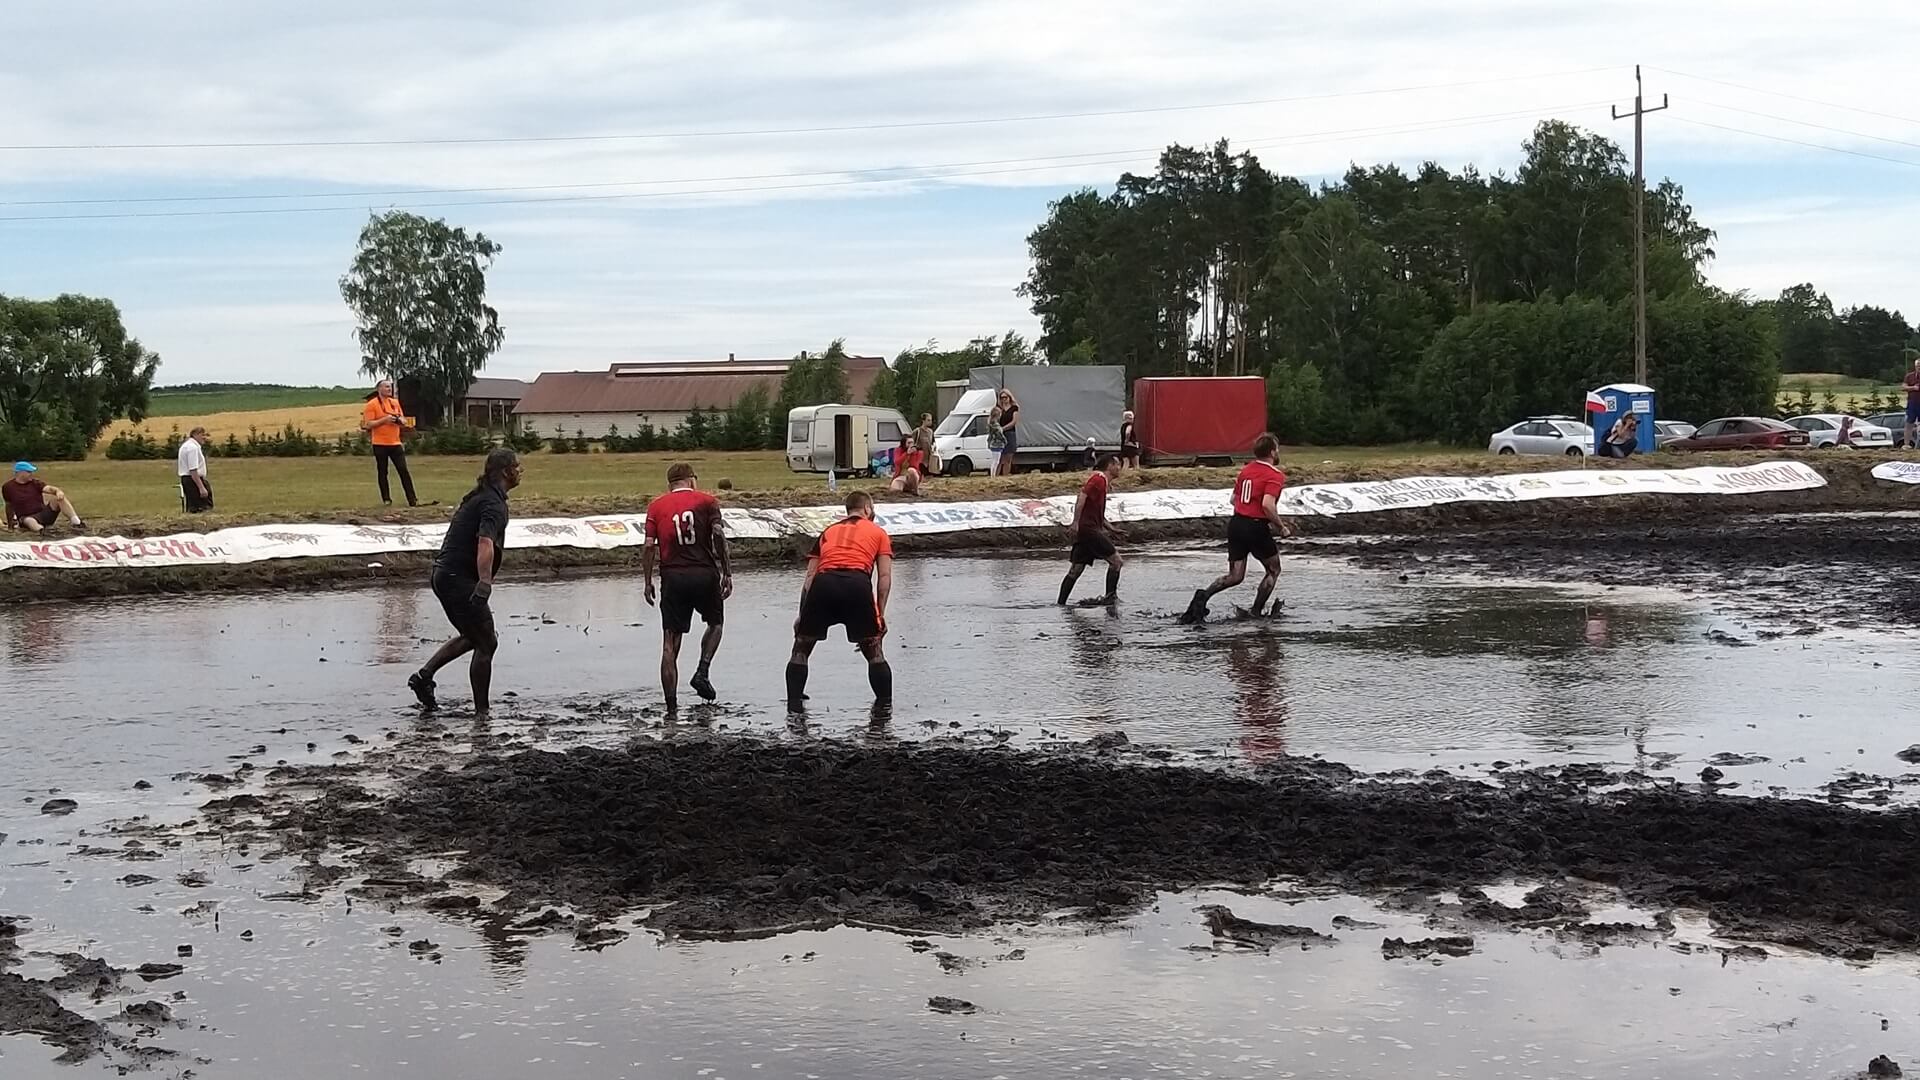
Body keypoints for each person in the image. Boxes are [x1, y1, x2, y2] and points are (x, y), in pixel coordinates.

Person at [409, 448, 521, 716]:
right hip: (457, 579)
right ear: (506, 472)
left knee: (474, 636)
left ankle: (424, 677)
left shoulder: (481, 497)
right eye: (517, 467)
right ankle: (482, 714)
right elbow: (485, 542)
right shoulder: (492, 504)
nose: (520, 472)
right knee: (486, 642)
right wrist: (484, 583)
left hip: (443, 575)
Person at [788, 490, 894, 711]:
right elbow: (884, 578)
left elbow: (809, 578)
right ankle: (884, 710)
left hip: (824, 584)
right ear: (867, 509)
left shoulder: (828, 531)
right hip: (857, 584)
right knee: (873, 650)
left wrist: (802, 614)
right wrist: (880, 614)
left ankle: (794, 707)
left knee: (801, 647)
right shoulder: (879, 533)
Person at [642, 462, 731, 711]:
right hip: (704, 573)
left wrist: (647, 581)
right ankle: (702, 670)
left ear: (669, 484)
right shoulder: (708, 501)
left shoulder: (656, 506)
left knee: (669, 643)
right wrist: (727, 572)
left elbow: (649, 546)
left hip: (673, 577)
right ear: (692, 479)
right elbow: (718, 535)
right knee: (715, 623)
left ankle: (671, 708)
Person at [1180, 433, 1293, 623]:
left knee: (1235, 575)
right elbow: (1267, 505)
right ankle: (1256, 611)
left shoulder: (1246, 470)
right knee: (1273, 570)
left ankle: (1203, 597)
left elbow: (1233, 499)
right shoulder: (1275, 475)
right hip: (1255, 527)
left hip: (1237, 524)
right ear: (1273, 452)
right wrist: (1281, 527)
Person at [1058, 454, 1126, 606]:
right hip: (1090, 531)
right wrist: (1075, 522)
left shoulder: (1102, 482)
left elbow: (1096, 512)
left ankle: (1060, 605)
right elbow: (1082, 497)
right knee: (1116, 562)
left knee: (1076, 569)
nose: (1119, 468)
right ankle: (1110, 598)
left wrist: (1111, 529)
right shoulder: (1099, 479)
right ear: (1110, 466)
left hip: (1086, 530)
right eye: (1118, 465)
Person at [361, 379, 419, 506]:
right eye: (386, 387)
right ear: (379, 389)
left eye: (390, 387)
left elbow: (402, 418)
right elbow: (368, 424)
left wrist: (401, 421)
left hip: (395, 443)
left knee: (403, 470)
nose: (389, 389)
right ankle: (386, 499)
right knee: (383, 472)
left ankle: (412, 499)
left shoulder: (394, 403)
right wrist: (384, 420)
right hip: (380, 443)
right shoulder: (372, 404)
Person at [3, 462, 82, 533]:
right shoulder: (8, 487)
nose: (31, 474)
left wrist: (58, 491)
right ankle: (42, 532)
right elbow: (9, 505)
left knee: (58, 499)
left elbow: (49, 488)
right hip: (26, 517)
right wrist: (10, 525)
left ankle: (77, 523)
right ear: (20, 473)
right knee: (29, 520)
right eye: (29, 472)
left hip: (42, 513)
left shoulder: (35, 483)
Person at [177, 427, 213, 513]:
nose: (204, 437)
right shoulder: (192, 448)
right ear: (195, 435)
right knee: (201, 508)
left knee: (194, 506)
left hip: (189, 479)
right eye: (202, 435)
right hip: (193, 480)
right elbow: (193, 470)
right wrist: (201, 487)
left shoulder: (187, 446)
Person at [993, 389, 1020, 475]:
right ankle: (995, 477)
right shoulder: (998, 409)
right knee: (999, 458)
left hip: (1010, 434)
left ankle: (1005, 477)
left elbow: (1014, 422)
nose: (1004, 399)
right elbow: (994, 420)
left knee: (1008, 458)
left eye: (1005, 397)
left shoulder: (1014, 408)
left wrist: (1003, 428)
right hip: (1000, 436)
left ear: (1009, 397)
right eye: (1002, 398)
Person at [1903, 358, 1920, 449]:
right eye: (1918, 365)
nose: (1919, 367)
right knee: (1909, 423)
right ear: (1915, 366)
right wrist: (1913, 388)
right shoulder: (1909, 376)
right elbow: (1904, 387)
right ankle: (1906, 444)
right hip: (1912, 403)